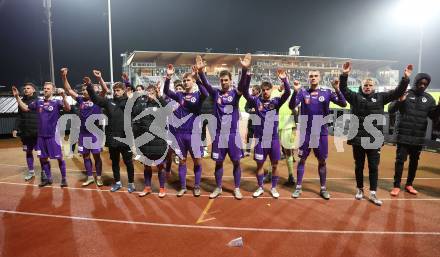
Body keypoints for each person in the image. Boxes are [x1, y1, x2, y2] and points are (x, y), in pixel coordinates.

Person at [339, 62, 410, 205]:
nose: (367, 87)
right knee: (359, 166)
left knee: (373, 167)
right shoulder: (355, 97)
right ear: (361, 86)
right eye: (365, 85)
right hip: (358, 138)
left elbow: (397, 93)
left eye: (370, 85)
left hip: (374, 139)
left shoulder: (381, 97)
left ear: (374, 87)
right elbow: (343, 89)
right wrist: (345, 74)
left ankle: (372, 193)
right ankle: (360, 189)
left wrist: (405, 78)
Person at [196, 53, 250, 200]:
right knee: (218, 163)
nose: (224, 82)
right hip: (219, 135)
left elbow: (242, 85)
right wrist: (200, 71)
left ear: (230, 81)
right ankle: (218, 187)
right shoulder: (216, 93)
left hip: (232, 134)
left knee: (236, 162)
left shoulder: (235, 93)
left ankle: (237, 188)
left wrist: (244, 70)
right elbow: (206, 84)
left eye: (226, 80)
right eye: (221, 80)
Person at [289, 69, 347, 200]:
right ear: (308, 78)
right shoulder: (302, 92)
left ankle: (323, 188)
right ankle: (298, 187)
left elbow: (343, 104)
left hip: (321, 133)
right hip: (306, 133)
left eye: (315, 76)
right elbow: (291, 105)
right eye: (311, 76)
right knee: (302, 160)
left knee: (322, 161)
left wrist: (337, 89)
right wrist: (295, 91)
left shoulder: (326, 92)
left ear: (319, 77)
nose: (313, 78)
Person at [243, 68, 291, 198]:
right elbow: (245, 94)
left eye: (267, 89)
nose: (265, 92)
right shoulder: (256, 101)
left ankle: (274, 188)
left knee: (275, 164)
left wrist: (284, 79)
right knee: (259, 165)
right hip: (260, 140)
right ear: (261, 91)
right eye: (263, 90)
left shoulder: (276, 102)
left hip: (273, 140)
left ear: (271, 90)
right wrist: (247, 77)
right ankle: (260, 187)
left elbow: (287, 93)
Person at [389, 72, 440, 196]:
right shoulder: (405, 94)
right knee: (400, 161)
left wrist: (439, 106)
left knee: (414, 162)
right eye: (420, 83)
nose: (422, 86)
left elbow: (433, 116)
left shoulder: (429, 99)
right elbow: (391, 109)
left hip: (418, 137)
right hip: (403, 135)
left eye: (425, 84)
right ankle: (396, 186)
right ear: (416, 82)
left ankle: (409, 184)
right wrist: (400, 101)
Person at [12, 82, 71, 187]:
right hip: (41, 137)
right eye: (44, 88)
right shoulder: (38, 102)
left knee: (59, 158)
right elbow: (25, 108)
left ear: (53, 90)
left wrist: (64, 97)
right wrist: (17, 97)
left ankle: (64, 179)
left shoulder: (57, 102)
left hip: (53, 136)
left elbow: (68, 108)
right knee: (43, 158)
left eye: (48, 88)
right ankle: (48, 178)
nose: (45, 90)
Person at [163, 64, 208, 197]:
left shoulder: (198, 95)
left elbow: (206, 93)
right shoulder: (180, 95)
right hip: (180, 135)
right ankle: (183, 187)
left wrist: (198, 77)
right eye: (184, 80)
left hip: (193, 134)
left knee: (197, 161)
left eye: (188, 80)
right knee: (182, 161)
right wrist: (169, 77)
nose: (186, 82)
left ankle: (197, 185)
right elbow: (166, 91)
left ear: (192, 81)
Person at [86, 81, 135, 193]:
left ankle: (131, 183)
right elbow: (95, 98)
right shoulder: (109, 102)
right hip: (112, 139)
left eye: (118, 90)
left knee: (128, 162)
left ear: (123, 91)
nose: (116, 92)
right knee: (115, 162)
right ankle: (117, 182)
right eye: (115, 90)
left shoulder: (129, 103)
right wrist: (90, 86)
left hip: (125, 138)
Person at [61, 68, 105, 187]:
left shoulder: (98, 100)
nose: (84, 91)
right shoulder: (80, 100)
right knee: (85, 156)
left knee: (97, 157)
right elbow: (69, 90)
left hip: (95, 134)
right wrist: (64, 77)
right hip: (82, 134)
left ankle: (99, 177)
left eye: (86, 89)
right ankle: (90, 177)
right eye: (83, 89)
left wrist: (99, 78)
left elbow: (105, 90)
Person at [133, 84, 169, 198]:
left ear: (156, 93)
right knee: (146, 166)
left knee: (160, 166)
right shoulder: (142, 105)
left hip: (159, 140)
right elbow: (135, 117)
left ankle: (162, 188)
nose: (150, 94)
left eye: (152, 92)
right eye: (148, 92)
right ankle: (147, 187)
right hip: (145, 141)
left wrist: (159, 98)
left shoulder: (161, 104)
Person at [12, 82, 41, 181]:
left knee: (41, 154)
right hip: (26, 133)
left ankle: (44, 172)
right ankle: (31, 172)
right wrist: (15, 128)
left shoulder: (38, 101)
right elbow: (19, 116)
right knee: (28, 152)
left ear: (33, 90)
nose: (26, 90)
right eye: (24, 88)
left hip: (37, 132)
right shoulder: (21, 101)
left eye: (28, 88)